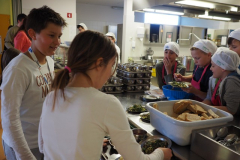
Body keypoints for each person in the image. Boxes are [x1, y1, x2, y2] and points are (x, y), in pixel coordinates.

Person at [38, 30, 172, 160]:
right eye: (112, 65)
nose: (110, 74)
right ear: (99, 63)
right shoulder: (106, 103)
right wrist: (161, 153)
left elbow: (42, 146)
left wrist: (87, 140)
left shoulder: (52, 96)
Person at [1, 5, 67, 160]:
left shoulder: (50, 62)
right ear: (32, 34)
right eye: (51, 35)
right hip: (22, 146)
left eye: (59, 36)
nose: (57, 42)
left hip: (43, 141)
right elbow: (9, 119)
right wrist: (25, 155)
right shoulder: (18, 69)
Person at [202, 47, 240, 115]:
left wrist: (207, 109)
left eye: (213, 66)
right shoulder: (214, 79)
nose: (210, 68)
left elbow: (231, 110)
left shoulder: (232, 82)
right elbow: (209, 98)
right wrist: (199, 107)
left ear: (223, 68)